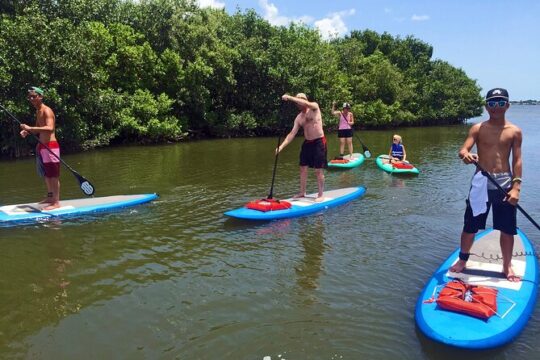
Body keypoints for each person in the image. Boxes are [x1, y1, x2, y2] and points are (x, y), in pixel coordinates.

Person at [450, 88, 522, 282]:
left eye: (500, 102)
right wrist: (465, 155)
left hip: (505, 184)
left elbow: (517, 160)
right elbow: (463, 149)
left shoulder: (514, 131)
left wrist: (516, 187)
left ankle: (507, 266)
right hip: (481, 182)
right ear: (486, 106)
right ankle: (462, 260)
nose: (496, 107)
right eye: (492, 103)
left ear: (507, 105)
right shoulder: (477, 128)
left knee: (507, 228)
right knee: (470, 225)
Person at [276, 93, 327, 202]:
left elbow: (306, 103)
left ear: (305, 100)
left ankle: (320, 194)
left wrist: (289, 97)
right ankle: (302, 192)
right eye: (297, 101)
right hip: (307, 143)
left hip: (319, 141)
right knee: (302, 168)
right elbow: (291, 134)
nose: (298, 103)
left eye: (300, 100)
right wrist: (281, 147)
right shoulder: (299, 118)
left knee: (318, 170)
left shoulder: (314, 107)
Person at [19, 86, 61, 210]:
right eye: (30, 97)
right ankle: (50, 197)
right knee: (47, 175)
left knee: (53, 175)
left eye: (34, 96)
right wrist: (27, 132)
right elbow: (38, 128)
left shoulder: (47, 111)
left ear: (40, 97)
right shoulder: (38, 111)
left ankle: (56, 202)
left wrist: (30, 128)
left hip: (51, 147)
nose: (31, 99)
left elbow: (50, 128)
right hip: (42, 147)